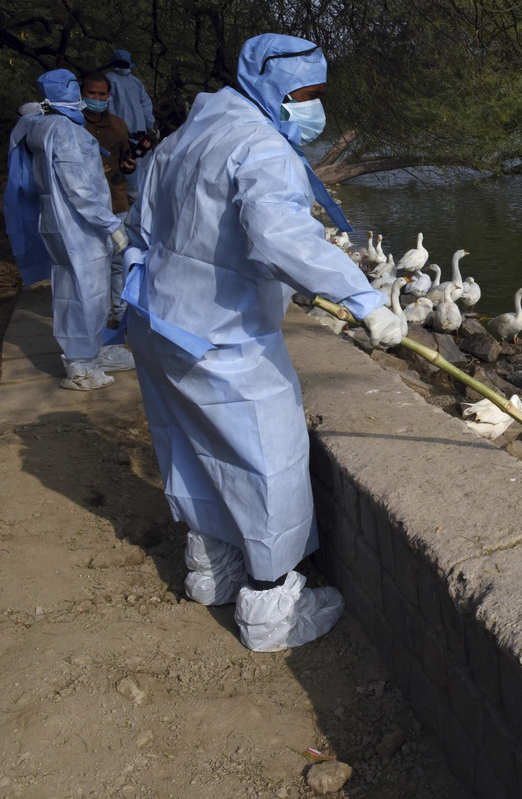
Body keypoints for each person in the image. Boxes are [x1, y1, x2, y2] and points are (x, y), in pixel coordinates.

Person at [120, 33, 404, 653]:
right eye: (306, 95)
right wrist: (364, 300)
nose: (313, 108)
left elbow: (141, 226)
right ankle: (273, 610)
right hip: (219, 336)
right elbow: (281, 238)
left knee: (192, 450)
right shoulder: (260, 147)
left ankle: (211, 571)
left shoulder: (184, 138)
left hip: (157, 321)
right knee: (268, 457)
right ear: (272, 88)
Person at [2, 69, 136, 391]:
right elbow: (79, 188)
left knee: (83, 291)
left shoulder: (42, 123)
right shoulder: (64, 129)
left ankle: (96, 350)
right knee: (83, 295)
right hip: (79, 225)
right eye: (76, 87)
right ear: (71, 91)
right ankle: (81, 366)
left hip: (61, 222)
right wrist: (111, 224)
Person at [81, 72, 136, 328]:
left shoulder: (118, 126)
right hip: (86, 205)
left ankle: (120, 313)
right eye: (92, 93)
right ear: (82, 93)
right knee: (91, 262)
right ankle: (95, 316)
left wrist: (128, 165)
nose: (97, 98)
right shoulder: (73, 125)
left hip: (116, 202)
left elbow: (124, 158)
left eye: (102, 94)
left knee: (118, 259)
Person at [104, 48, 157, 199]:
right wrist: (149, 124)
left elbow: (145, 105)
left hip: (130, 130)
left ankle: (134, 193)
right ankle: (132, 193)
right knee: (130, 160)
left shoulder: (133, 82)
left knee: (135, 158)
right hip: (127, 129)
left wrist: (150, 124)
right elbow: (110, 106)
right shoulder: (115, 80)